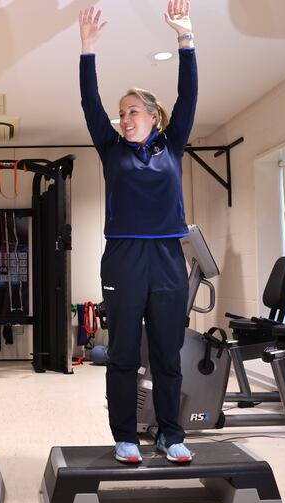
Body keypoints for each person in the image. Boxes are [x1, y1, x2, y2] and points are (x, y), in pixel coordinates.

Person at [78, 0, 197, 464]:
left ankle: (171, 434)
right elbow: (90, 103)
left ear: (154, 116)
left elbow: (188, 97)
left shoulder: (173, 145)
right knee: (124, 353)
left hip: (168, 256)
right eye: (121, 112)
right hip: (124, 257)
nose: (123, 118)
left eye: (132, 112)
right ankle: (125, 436)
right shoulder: (111, 150)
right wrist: (88, 50)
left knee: (168, 353)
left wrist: (185, 40)